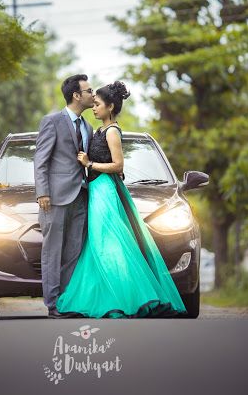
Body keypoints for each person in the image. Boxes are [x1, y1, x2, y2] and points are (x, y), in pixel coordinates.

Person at [55, 81, 188, 318]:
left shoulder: (113, 131)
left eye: (97, 104)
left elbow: (118, 165)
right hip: (96, 189)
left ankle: (124, 298)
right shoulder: (99, 130)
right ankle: (109, 296)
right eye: (93, 103)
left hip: (105, 191)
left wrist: (89, 164)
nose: (93, 108)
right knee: (100, 245)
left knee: (108, 245)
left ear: (110, 106)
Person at [34, 74, 94, 318]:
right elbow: (41, 160)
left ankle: (67, 301)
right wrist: (43, 193)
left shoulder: (88, 127)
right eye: (88, 91)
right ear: (76, 95)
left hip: (80, 196)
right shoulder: (52, 121)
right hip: (55, 198)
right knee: (53, 252)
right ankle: (53, 304)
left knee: (73, 253)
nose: (93, 94)